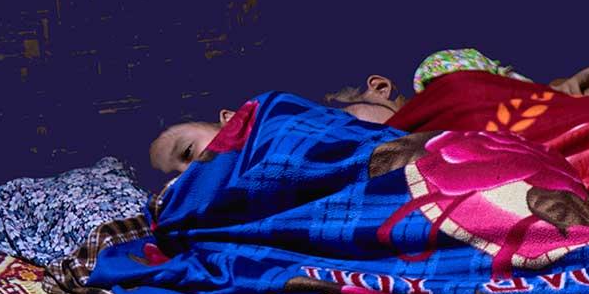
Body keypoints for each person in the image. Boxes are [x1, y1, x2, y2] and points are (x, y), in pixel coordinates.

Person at [149, 75, 408, 175]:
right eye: (176, 176)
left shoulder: (278, 119)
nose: (190, 170)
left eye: (187, 152)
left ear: (230, 118)